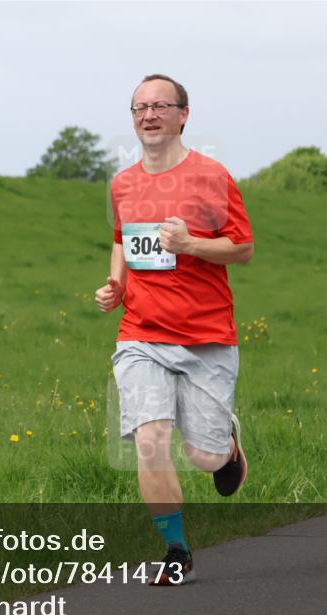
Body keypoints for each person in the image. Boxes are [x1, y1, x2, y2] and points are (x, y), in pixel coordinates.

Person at [95, 74, 255, 586]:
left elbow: (242, 248)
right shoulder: (122, 183)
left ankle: (226, 447)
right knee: (149, 440)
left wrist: (191, 246)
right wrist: (115, 285)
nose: (149, 114)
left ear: (184, 115)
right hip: (141, 332)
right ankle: (174, 548)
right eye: (140, 107)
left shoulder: (211, 177)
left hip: (207, 337)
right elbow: (122, 241)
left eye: (161, 105)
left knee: (202, 457)